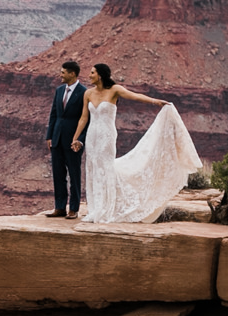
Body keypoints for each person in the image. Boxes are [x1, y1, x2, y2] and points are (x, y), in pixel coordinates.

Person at [73, 60, 202, 224]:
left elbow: (135, 96)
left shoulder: (115, 90)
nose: (89, 76)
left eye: (92, 73)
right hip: (92, 136)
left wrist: (155, 101)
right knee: (93, 168)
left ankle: (107, 208)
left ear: (100, 75)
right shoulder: (88, 93)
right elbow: (84, 117)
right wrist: (76, 137)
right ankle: (96, 208)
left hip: (106, 136)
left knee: (105, 167)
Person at [45, 59, 85, 217]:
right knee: (58, 174)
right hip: (57, 138)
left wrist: (80, 139)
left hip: (73, 140)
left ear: (72, 74)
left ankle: (73, 209)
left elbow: (85, 118)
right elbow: (53, 114)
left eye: (63, 72)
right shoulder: (59, 90)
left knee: (74, 174)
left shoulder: (83, 92)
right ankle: (60, 207)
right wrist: (49, 136)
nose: (60, 75)